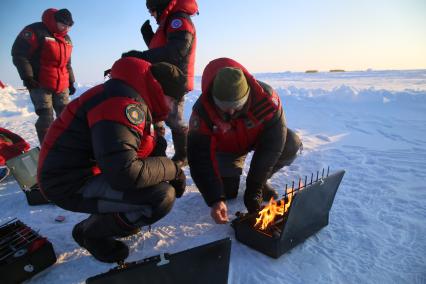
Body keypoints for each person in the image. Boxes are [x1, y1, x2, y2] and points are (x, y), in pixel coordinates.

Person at [37, 57, 187, 263]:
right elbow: (125, 173)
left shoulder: (131, 95)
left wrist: (164, 166)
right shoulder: (122, 103)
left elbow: (138, 152)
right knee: (160, 197)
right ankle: (91, 233)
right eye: (174, 100)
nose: (173, 107)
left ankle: (104, 221)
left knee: (154, 181)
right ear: (162, 92)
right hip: (67, 182)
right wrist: (173, 169)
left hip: (85, 172)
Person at [187, 58, 302, 224]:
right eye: (224, 107)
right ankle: (232, 175)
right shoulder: (202, 111)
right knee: (227, 192)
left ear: (247, 95)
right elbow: (199, 157)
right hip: (225, 150)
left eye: (238, 105)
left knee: (291, 143)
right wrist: (215, 199)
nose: (232, 111)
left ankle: (261, 181)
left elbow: (272, 145)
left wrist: (255, 187)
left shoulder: (267, 100)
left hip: (256, 141)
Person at [121, 0, 198, 167]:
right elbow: (162, 49)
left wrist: (140, 56)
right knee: (155, 118)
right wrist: (149, 37)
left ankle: (183, 155)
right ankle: (158, 152)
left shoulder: (178, 20)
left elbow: (176, 51)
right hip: (162, 78)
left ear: (161, 6)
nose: (151, 14)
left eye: (152, 10)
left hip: (173, 80)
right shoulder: (168, 21)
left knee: (173, 119)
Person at [11, 8, 76, 145]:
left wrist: (71, 81)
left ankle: (68, 147)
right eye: (63, 25)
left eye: (69, 26)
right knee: (46, 119)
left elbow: (67, 63)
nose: (66, 29)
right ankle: (48, 149)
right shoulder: (35, 31)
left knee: (66, 117)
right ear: (55, 21)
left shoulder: (66, 39)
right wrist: (28, 77)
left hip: (61, 84)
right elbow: (19, 54)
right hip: (40, 84)